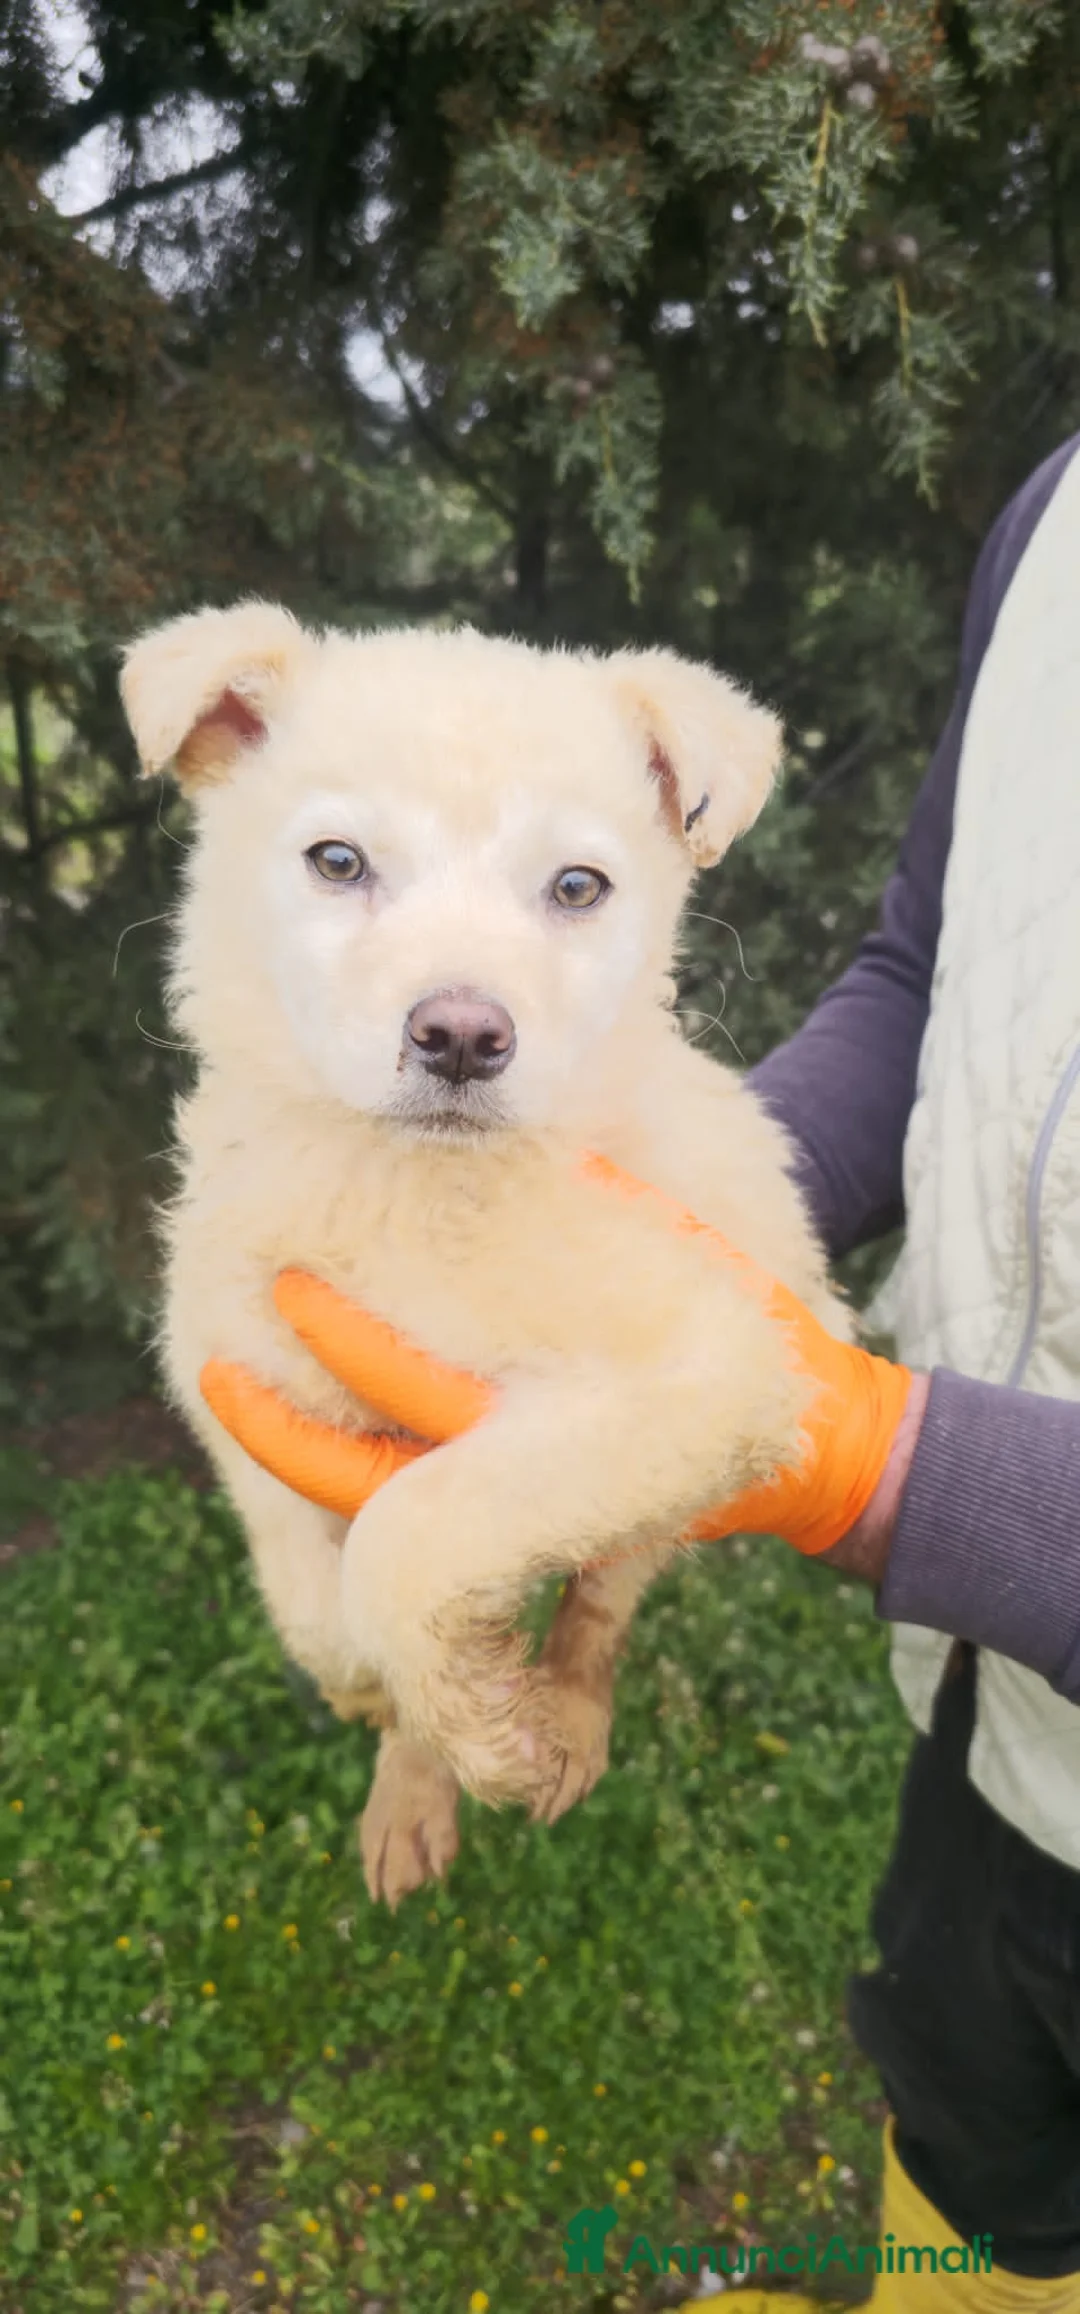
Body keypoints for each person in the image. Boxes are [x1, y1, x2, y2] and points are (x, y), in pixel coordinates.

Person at [202, 435, 1080, 2310]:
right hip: (1001, 1711)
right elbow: (926, 966)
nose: (462, 997)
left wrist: (882, 1467)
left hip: (985, 1545)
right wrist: (690, 1206)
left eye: (575, 885)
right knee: (966, 2097)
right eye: (346, 862)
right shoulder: (1064, 514)